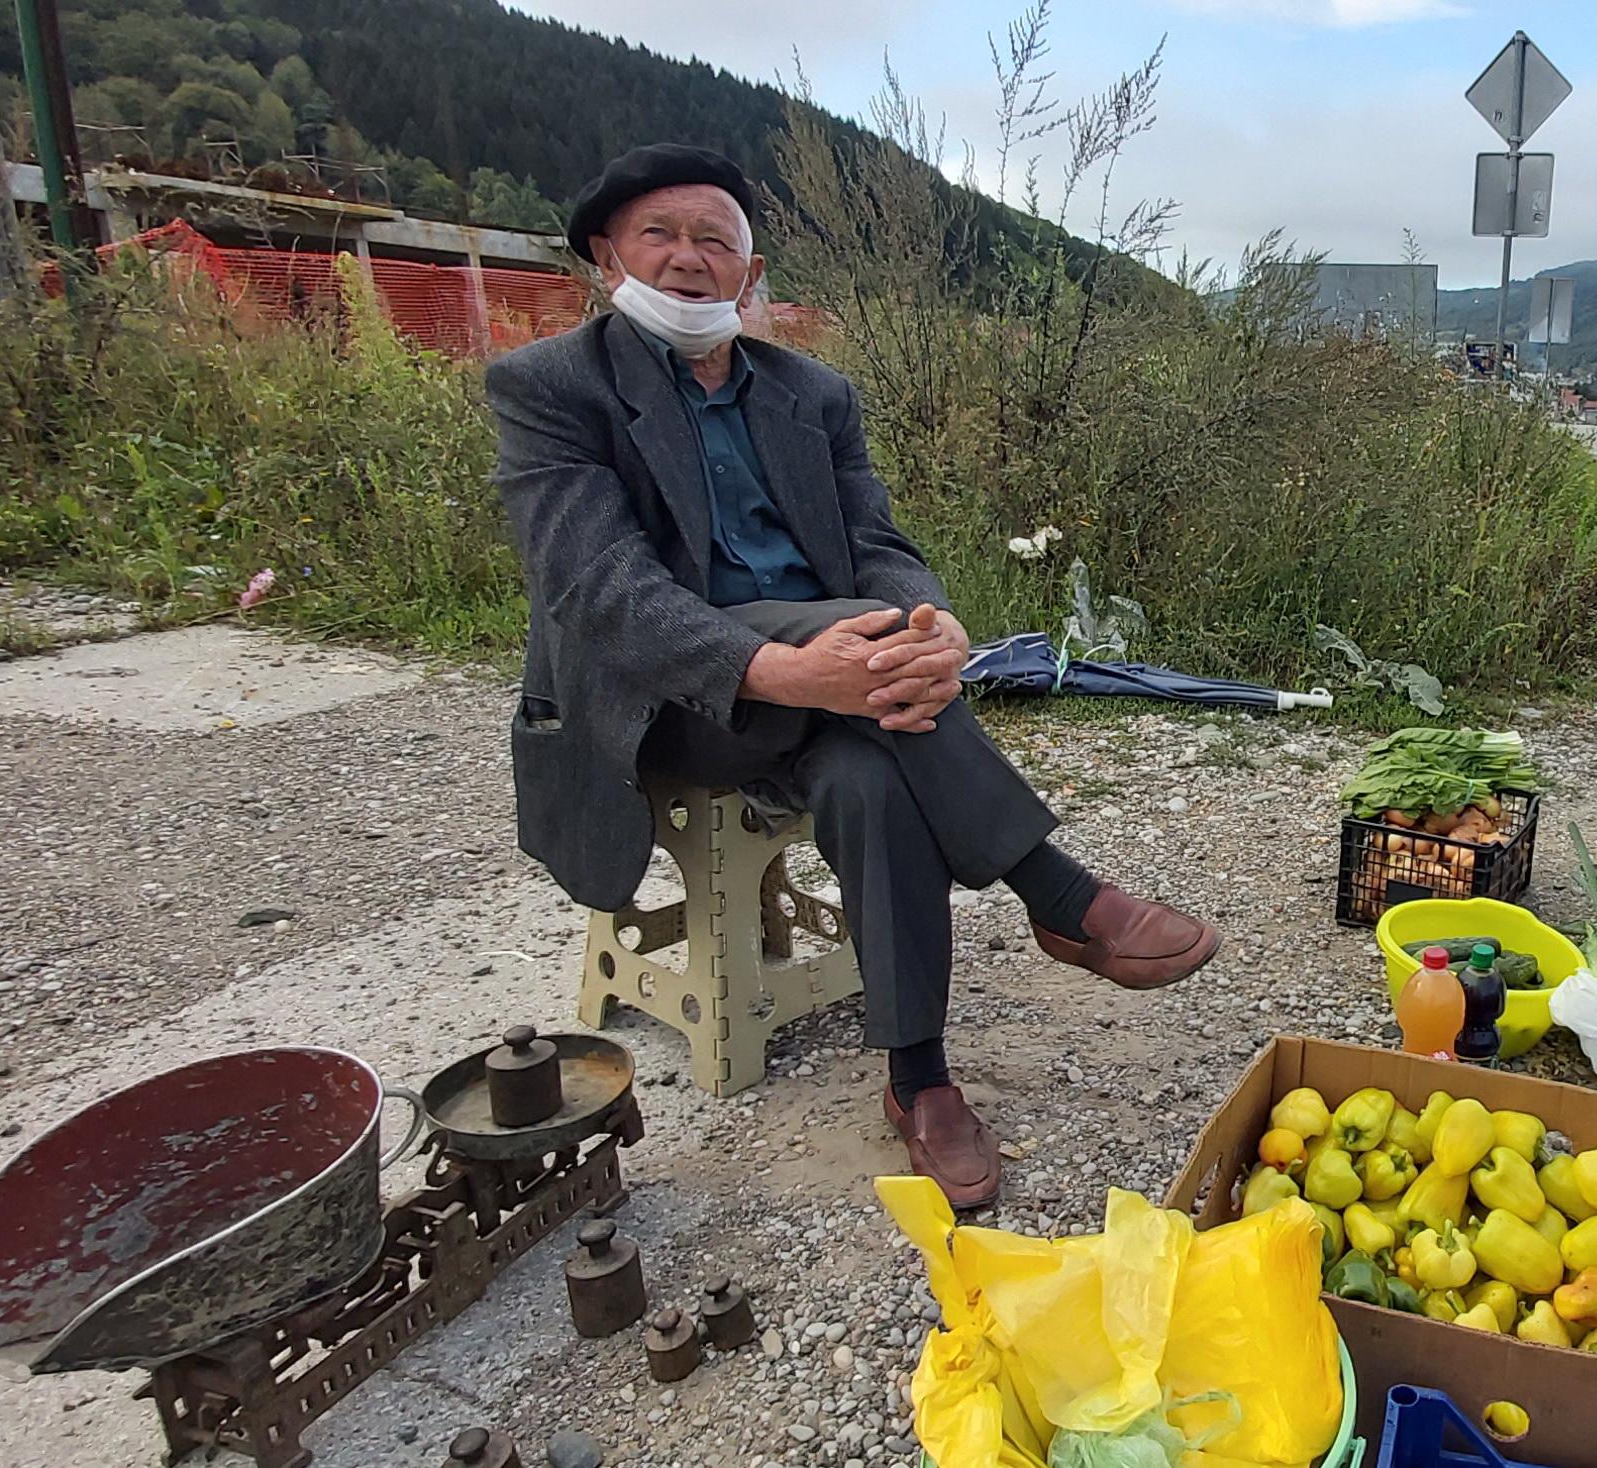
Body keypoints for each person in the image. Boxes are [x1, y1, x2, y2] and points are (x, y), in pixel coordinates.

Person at [487, 143, 1219, 1208]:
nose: (690, 260)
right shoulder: (551, 387)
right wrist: (789, 668)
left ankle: (919, 1082)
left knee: (869, 775)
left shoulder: (810, 392)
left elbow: (878, 541)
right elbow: (598, 593)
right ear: (608, 256)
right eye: (662, 236)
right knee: (864, 651)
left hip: (845, 681)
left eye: (715, 240)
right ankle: (1058, 894)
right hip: (673, 701)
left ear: (751, 269)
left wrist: (934, 622)